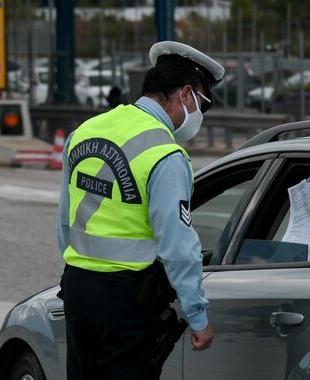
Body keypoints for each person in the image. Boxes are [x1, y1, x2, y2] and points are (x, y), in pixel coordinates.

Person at [56, 41, 224, 379]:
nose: (200, 115)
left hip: (76, 289)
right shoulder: (165, 154)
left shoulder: (84, 131)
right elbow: (177, 244)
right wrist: (198, 316)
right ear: (186, 95)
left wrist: (79, 271)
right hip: (127, 301)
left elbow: (64, 220)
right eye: (203, 105)